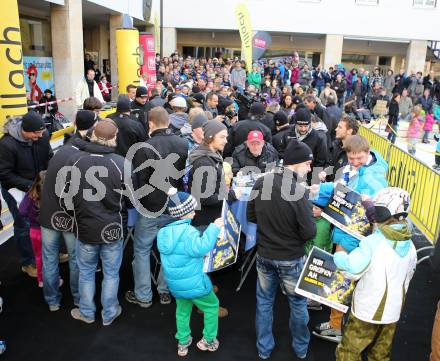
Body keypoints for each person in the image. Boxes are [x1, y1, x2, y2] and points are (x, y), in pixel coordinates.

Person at [313, 135, 388, 343]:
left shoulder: (374, 176)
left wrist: (321, 193)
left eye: (359, 158)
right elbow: (341, 192)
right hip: (347, 229)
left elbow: (349, 199)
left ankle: (336, 325)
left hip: (353, 233)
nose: (355, 162)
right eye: (351, 158)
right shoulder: (356, 168)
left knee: (343, 275)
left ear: (368, 152)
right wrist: (321, 195)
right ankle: (337, 320)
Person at [247, 139, 317, 361]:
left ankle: (264, 349)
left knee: (264, 302)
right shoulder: (298, 191)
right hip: (290, 259)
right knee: (297, 303)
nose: (309, 169)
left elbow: (250, 216)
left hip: (265, 255)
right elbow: (309, 233)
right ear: (297, 164)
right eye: (307, 164)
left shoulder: (261, 182)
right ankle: (301, 348)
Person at [335, 187, 417, 361]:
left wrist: (339, 256)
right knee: (380, 354)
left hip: (367, 310)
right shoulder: (411, 246)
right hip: (393, 312)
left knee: (349, 352)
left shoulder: (372, 243)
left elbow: (352, 269)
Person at [126, 107, 188, 309]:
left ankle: (144, 296)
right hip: (173, 203)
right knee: (169, 250)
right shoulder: (182, 143)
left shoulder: (143, 147)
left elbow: (140, 180)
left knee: (142, 250)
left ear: (150, 123)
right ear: (168, 122)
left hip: (151, 207)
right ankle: (164, 291)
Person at [68, 120, 129, 326]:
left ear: (92, 135)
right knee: (111, 273)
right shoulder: (121, 163)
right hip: (112, 227)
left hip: (85, 227)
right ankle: (109, 313)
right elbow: (131, 198)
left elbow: (66, 197)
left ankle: (87, 312)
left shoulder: (76, 161)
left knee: (86, 273)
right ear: (114, 138)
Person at [39, 110, 97, 312]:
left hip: (49, 213)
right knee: (75, 259)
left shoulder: (62, 150)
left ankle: (52, 301)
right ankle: (78, 298)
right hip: (70, 217)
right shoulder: (83, 157)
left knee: (49, 258)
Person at [157, 190, 223, 356]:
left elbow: (185, 252)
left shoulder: (162, 233)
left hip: (176, 285)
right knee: (212, 306)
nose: (194, 213)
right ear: (183, 214)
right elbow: (203, 246)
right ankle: (208, 341)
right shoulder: (189, 233)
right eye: (191, 210)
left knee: (182, 311)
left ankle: (183, 341)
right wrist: (215, 227)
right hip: (195, 284)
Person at [0, 112, 53, 277]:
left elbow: (49, 157)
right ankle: (28, 262)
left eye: (42, 132)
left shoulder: (42, 137)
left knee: (46, 222)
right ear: (24, 130)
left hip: (39, 186)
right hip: (16, 191)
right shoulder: (6, 144)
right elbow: (4, 173)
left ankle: (50, 254)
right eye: (35, 133)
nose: (40, 136)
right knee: (24, 225)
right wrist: (30, 186)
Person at [18, 171, 48, 288]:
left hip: (33, 231)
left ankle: (41, 280)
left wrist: (31, 217)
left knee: (38, 257)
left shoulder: (30, 194)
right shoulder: (50, 194)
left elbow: (22, 211)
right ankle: (53, 279)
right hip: (46, 231)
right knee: (50, 257)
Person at [326, 116, 359, 182]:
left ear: (349, 131)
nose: (336, 129)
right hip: (329, 187)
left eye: (340, 127)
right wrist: (325, 172)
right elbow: (330, 164)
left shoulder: (356, 151)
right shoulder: (335, 145)